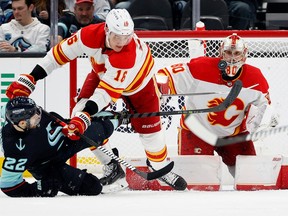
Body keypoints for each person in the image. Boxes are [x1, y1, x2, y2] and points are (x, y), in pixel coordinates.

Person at [5, 8, 187, 191]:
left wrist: (87, 114)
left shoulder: (127, 53)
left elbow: (106, 93)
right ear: (107, 29)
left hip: (140, 83)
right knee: (79, 117)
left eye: (127, 37)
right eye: (117, 36)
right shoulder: (88, 35)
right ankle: (111, 165)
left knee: (151, 132)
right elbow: (57, 56)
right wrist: (31, 78)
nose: (122, 42)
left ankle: (160, 167)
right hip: (102, 73)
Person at [157, 33, 274, 177]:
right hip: (197, 131)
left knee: (251, 178)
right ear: (220, 53)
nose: (232, 57)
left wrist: (260, 124)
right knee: (198, 182)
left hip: (234, 135)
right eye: (228, 52)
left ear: (244, 55)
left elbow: (265, 107)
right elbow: (166, 74)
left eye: (236, 53)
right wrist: (158, 90)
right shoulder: (201, 67)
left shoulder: (255, 78)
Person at [0, 96, 121, 197]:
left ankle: (122, 118)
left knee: (100, 129)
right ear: (22, 123)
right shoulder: (16, 150)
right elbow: (9, 186)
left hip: (65, 136)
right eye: (34, 118)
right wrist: (38, 189)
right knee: (92, 187)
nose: (38, 117)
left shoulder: (12, 113)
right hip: (46, 166)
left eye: (37, 111)